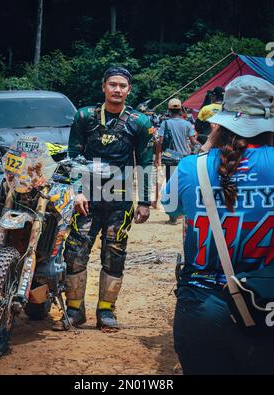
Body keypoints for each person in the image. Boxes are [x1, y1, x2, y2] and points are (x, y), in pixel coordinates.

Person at [162, 75, 274, 374]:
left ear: (220, 121)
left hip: (201, 306)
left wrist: (207, 147)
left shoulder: (192, 166)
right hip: (266, 306)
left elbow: (171, 206)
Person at [54, 66, 154, 331]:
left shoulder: (139, 122)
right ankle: (75, 311)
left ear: (128, 90)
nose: (117, 89)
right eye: (113, 85)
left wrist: (144, 202)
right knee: (75, 253)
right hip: (86, 200)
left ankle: (106, 311)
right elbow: (73, 157)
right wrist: (75, 192)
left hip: (120, 202)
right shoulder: (84, 116)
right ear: (104, 87)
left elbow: (145, 162)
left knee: (115, 254)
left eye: (122, 85)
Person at [155, 98, 200, 224]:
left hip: (170, 159)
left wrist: (157, 157)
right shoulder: (187, 124)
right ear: (180, 110)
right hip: (185, 160)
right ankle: (186, 214)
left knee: (172, 187)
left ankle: (173, 217)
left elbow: (160, 141)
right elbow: (193, 142)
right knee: (185, 186)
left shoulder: (166, 123)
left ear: (169, 110)